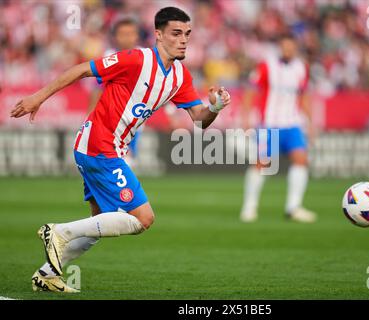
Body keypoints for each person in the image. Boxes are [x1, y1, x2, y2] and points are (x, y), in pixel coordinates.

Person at [10, 7, 231, 293]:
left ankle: (47, 273)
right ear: (159, 35)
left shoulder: (179, 76)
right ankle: (59, 232)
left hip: (108, 147)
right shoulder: (135, 59)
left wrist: (214, 107)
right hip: (99, 145)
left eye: (187, 34)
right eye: (176, 33)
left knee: (98, 223)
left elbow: (200, 121)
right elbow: (81, 70)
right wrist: (38, 97)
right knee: (143, 218)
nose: (183, 40)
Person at [240, 34, 317, 223]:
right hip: (270, 124)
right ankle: (249, 207)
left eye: (291, 47)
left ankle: (293, 207)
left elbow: (304, 96)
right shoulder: (266, 66)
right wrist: (246, 118)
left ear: (295, 49)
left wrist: (310, 121)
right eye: (284, 47)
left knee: (301, 160)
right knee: (261, 164)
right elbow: (250, 91)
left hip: (292, 123)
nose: (287, 50)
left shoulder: (302, 68)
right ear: (279, 48)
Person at [87, 15, 142, 167]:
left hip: (134, 118)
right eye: (123, 34)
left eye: (130, 34)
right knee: (117, 164)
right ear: (116, 37)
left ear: (137, 35)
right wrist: (90, 114)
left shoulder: (144, 56)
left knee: (127, 163)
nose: (127, 38)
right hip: (111, 119)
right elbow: (97, 88)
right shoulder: (109, 57)